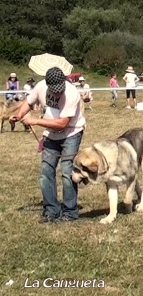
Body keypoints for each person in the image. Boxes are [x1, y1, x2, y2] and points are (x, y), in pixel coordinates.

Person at [10, 67, 86, 223]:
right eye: (55, 90)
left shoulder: (71, 93)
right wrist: (18, 115)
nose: (58, 92)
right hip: (50, 135)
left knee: (67, 173)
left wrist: (36, 121)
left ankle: (70, 212)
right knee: (46, 172)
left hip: (71, 133)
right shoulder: (40, 86)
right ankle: (51, 210)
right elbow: (29, 102)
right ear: (47, 83)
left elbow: (62, 124)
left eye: (60, 89)